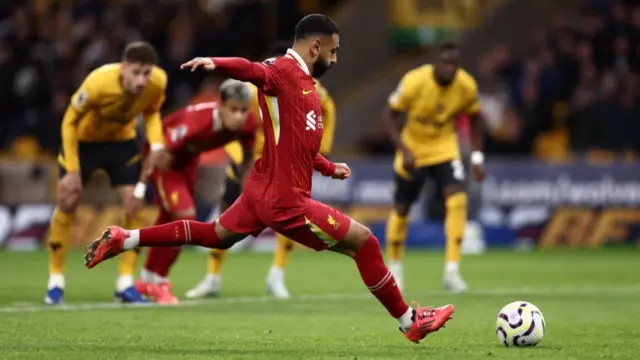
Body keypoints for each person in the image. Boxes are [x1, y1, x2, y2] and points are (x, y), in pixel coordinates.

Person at [84, 14, 453, 343]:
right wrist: (215, 63)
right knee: (366, 243)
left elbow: (301, 145)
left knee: (215, 234)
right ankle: (409, 321)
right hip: (285, 200)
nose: (336, 59)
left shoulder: (308, 87)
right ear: (315, 46)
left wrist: (327, 168)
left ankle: (125, 238)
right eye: (334, 51)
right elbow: (252, 70)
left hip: (260, 191)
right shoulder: (284, 71)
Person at [186, 41, 337, 300]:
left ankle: (276, 277)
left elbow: (328, 112)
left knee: (291, 217)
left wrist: (323, 149)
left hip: (286, 163)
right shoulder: (249, 89)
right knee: (224, 221)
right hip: (250, 162)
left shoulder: (312, 90)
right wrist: (241, 163)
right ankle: (212, 278)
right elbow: (233, 127)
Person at [46, 41, 167, 305]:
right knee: (68, 200)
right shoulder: (98, 83)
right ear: (123, 68)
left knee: (134, 206)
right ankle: (55, 282)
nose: (142, 79)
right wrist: (73, 170)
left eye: (146, 73)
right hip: (84, 142)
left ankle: (125, 283)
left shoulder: (158, 82)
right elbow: (69, 121)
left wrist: (157, 143)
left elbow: (152, 112)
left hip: (120, 144)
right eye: (136, 72)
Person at [134, 79, 258, 304]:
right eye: (233, 110)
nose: (239, 116)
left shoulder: (248, 124)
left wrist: (248, 192)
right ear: (220, 106)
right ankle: (161, 282)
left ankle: (146, 281)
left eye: (243, 110)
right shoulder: (195, 123)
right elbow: (158, 155)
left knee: (167, 220)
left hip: (189, 162)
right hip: (165, 161)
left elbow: (248, 158)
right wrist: (140, 189)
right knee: (185, 217)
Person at [383, 42, 486, 293]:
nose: (450, 69)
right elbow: (389, 115)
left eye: (455, 64)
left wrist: (477, 158)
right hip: (413, 151)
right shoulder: (414, 81)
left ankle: (452, 271)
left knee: (457, 200)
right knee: (401, 209)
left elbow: (476, 119)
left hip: (444, 149)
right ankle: (395, 267)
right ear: (435, 63)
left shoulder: (466, 85)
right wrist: (403, 150)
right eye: (445, 63)